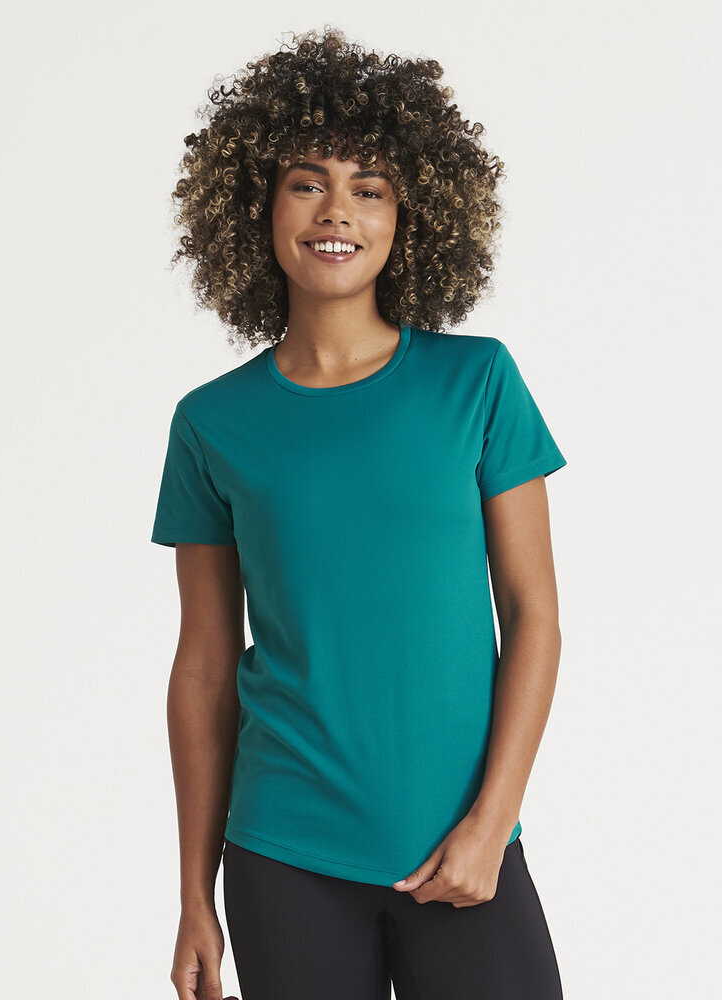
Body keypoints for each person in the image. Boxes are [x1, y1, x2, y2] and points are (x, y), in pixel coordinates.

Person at [151, 25, 567, 1000]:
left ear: (408, 215)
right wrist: (194, 895)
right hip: (283, 854)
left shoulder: (477, 383)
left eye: (368, 188)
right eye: (307, 183)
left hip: (465, 850)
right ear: (255, 205)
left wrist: (491, 823)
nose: (336, 210)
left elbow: (533, 614)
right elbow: (204, 665)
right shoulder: (211, 423)